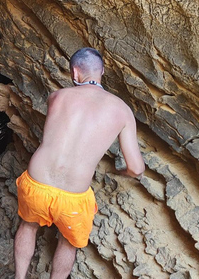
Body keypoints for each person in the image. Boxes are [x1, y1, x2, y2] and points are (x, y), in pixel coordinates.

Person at [14, 47, 145, 279]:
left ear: (75, 72)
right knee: (68, 243)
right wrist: (121, 171)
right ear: (102, 71)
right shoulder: (123, 111)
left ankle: (19, 277)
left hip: (37, 182)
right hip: (74, 195)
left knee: (28, 226)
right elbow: (136, 168)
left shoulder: (57, 97)